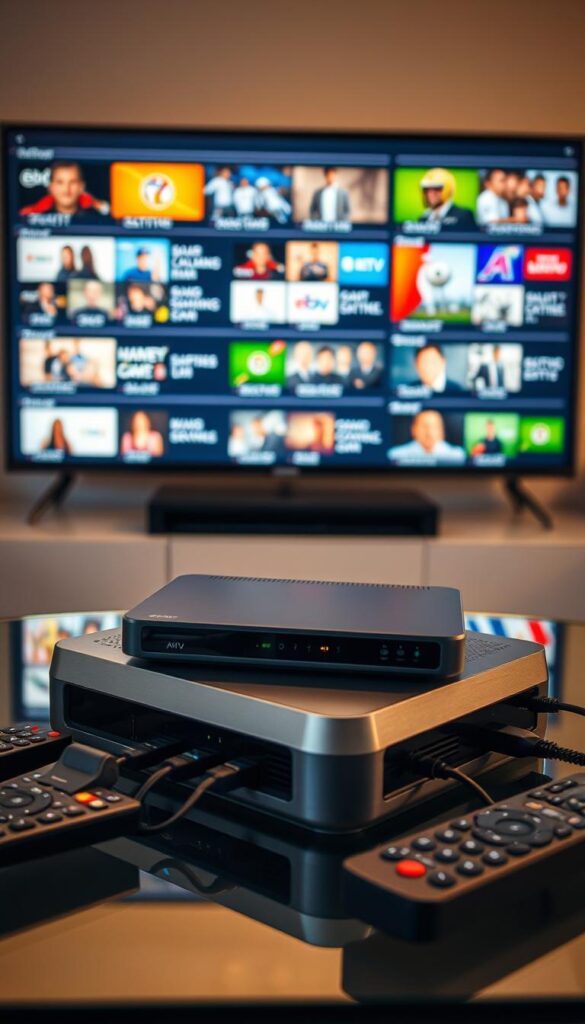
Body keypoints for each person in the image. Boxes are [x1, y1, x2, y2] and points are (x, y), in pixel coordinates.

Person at [19, 160, 108, 219]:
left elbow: (107, 210)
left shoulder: (95, 216)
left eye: (72, 182)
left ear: (81, 187)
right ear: (51, 187)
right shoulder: (34, 216)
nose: (66, 189)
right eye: (60, 182)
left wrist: (95, 203)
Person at [389, 409, 466, 463]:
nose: (429, 432)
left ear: (442, 431)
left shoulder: (457, 455)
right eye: (424, 426)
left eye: (434, 427)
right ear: (413, 429)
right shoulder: (396, 454)